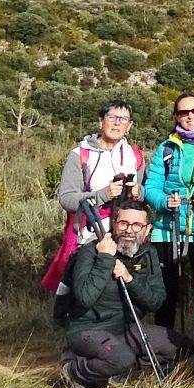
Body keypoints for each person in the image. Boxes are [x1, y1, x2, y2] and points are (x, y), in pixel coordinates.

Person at [60, 199, 177, 388]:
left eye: (137, 225)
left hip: (125, 329)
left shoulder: (148, 254)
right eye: (123, 223)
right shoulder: (90, 252)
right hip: (88, 329)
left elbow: (156, 301)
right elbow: (85, 298)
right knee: (122, 358)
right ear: (113, 224)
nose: (129, 230)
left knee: (179, 347)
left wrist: (130, 279)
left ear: (147, 229)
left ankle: (115, 368)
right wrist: (105, 259)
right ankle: (75, 369)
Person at [45, 100, 144, 308]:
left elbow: (142, 196)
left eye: (123, 119)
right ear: (101, 121)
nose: (116, 123)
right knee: (86, 290)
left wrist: (139, 192)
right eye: (111, 117)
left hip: (125, 235)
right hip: (89, 235)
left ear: (129, 125)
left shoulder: (135, 156)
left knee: (118, 289)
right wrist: (103, 195)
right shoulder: (80, 154)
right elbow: (67, 198)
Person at [143, 92, 194, 331]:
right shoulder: (167, 148)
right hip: (167, 230)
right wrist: (164, 201)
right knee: (166, 295)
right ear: (176, 116)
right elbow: (151, 187)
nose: (190, 116)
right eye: (183, 112)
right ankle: (165, 347)